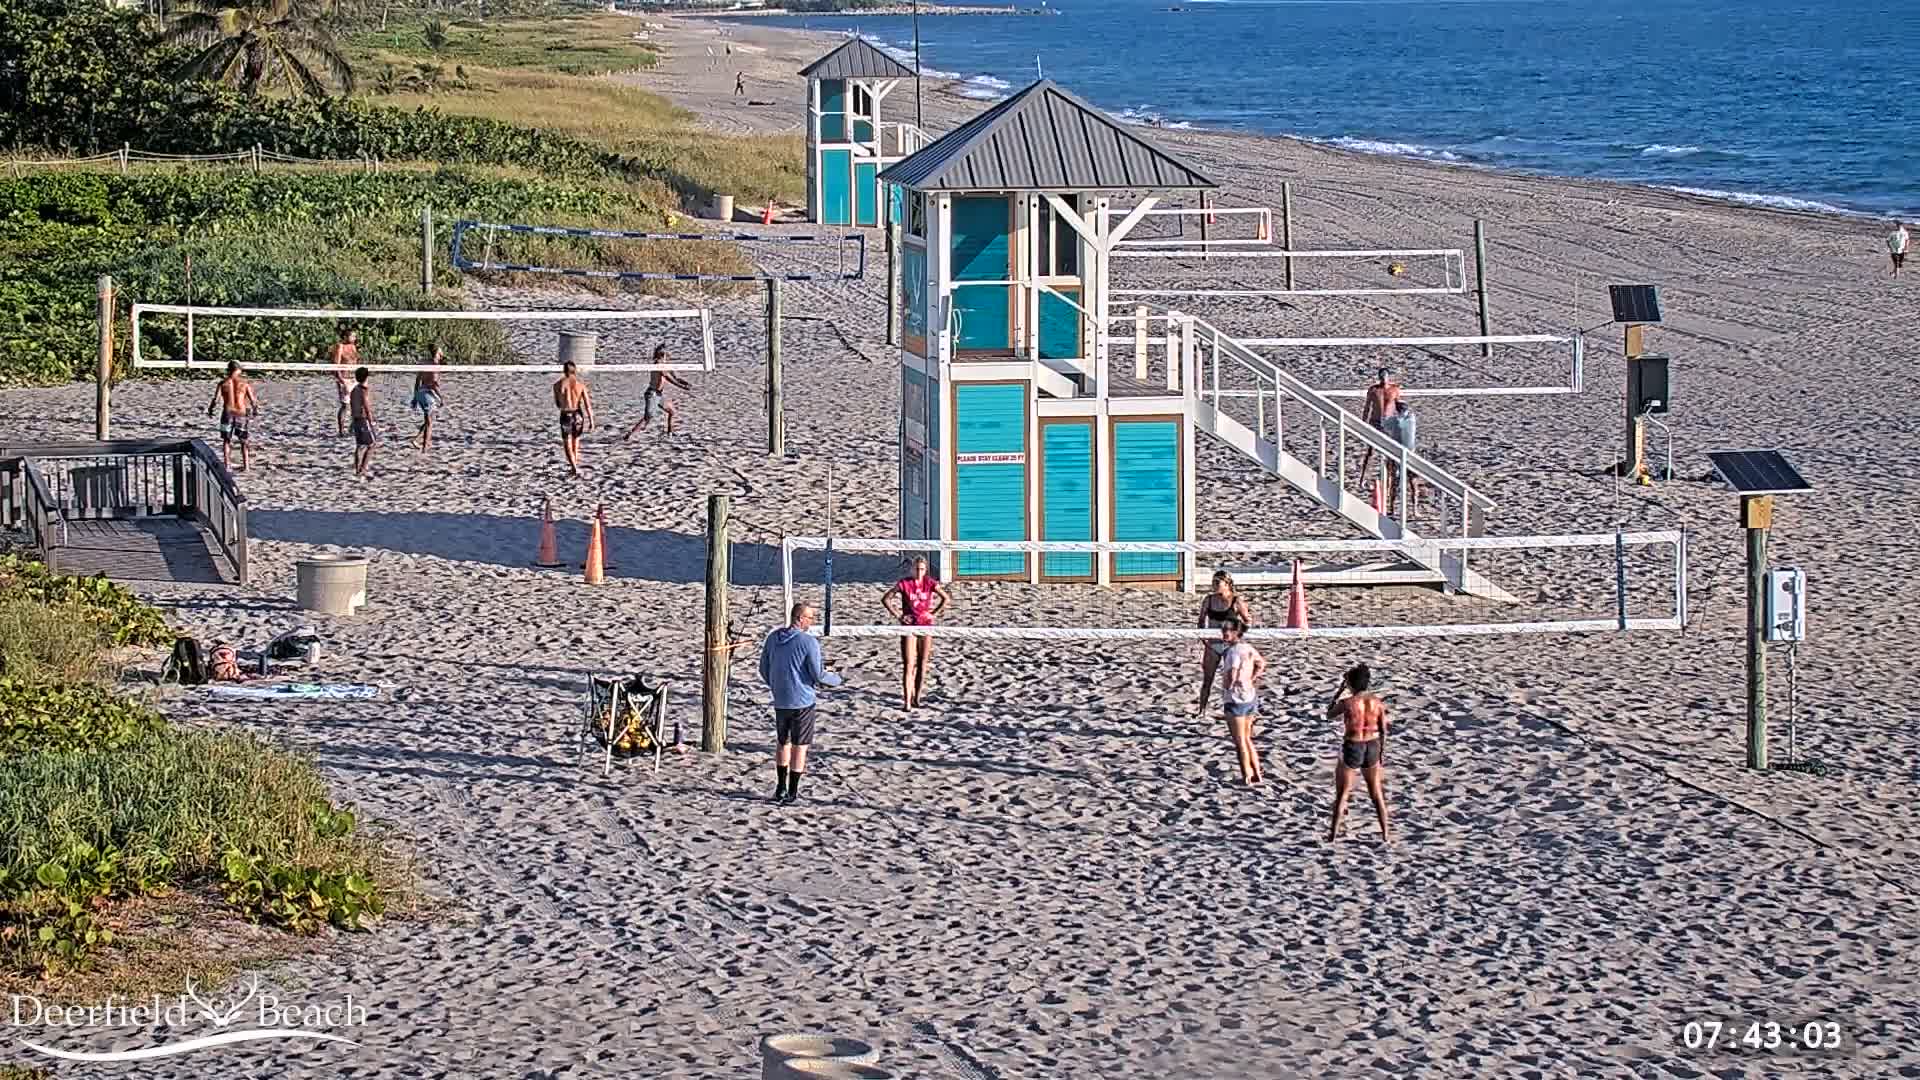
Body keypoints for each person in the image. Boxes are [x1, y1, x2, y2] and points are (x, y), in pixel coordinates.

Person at [759, 602, 831, 805]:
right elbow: (818, 674)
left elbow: (764, 668)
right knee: (800, 746)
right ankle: (792, 791)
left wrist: (777, 686)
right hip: (802, 701)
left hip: (781, 699)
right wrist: (837, 680)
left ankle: (780, 788)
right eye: (810, 618)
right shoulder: (808, 642)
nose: (812, 621)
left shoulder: (773, 637)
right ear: (800, 618)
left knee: (783, 742)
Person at [1326, 663, 1391, 843]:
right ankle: (1385, 834)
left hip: (1353, 745)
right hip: (1372, 745)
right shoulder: (1377, 702)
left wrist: (1339, 690)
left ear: (1350, 683)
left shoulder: (1347, 703)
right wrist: (1381, 753)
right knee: (1376, 793)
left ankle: (1332, 836)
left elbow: (1328, 714)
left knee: (1342, 794)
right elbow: (1383, 730)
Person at [882, 555, 951, 710]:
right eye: (916, 569)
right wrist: (899, 615)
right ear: (912, 569)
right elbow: (886, 599)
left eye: (922, 569)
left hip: (926, 626)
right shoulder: (904, 583)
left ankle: (917, 698)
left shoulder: (930, 583)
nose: (919, 572)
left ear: (926, 570)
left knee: (922, 662)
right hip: (910, 627)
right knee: (908, 664)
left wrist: (934, 613)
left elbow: (946, 598)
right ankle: (907, 701)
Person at [1217, 618, 1267, 785]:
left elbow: (1232, 673)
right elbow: (1261, 664)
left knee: (1240, 741)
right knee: (1247, 739)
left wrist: (1227, 687)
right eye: (1223, 629)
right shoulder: (1248, 648)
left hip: (1236, 699)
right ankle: (1257, 773)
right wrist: (1251, 678)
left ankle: (1247, 775)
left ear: (1236, 632)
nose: (1224, 633)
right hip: (1250, 696)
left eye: (1228, 630)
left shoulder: (1233, 652)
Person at [1194, 570, 1252, 714]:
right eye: (1213, 582)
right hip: (1213, 645)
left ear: (1227, 584)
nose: (1214, 585)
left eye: (1217, 582)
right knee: (1207, 679)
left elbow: (1248, 621)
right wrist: (1204, 639)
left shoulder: (1236, 601)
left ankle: (1234, 711)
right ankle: (1202, 711)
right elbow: (1201, 621)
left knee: (1233, 680)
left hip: (1230, 646)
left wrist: (1237, 636)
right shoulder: (1208, 599)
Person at [624, 345, 694, 439]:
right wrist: (682, 387)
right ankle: (629, 436)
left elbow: (676, 377)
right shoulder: (658, 365)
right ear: (663, 355)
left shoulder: (665, 365)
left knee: (671, 411)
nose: (669, 357)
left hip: (659, 394)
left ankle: (670, 433)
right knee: (647, 418)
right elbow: (668, 378)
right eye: (667, 355)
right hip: (652, 394)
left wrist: (686, 383)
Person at [205, 361, 259, 472]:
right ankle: (246, 465)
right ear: (238, 370)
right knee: (244, 440)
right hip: (241, 414)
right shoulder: (244, 383)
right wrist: (255, 410)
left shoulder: (223, 383)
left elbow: (216, 399)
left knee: (226, 440)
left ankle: (227, 465)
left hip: (227, 413)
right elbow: (253, 400)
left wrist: (210, 409)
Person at [1356, 367, 1401, 499]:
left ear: (1389, 377)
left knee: (1390, 456)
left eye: (1385, 376)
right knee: (1370, 452)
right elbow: (1367, 407)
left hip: (1389, 424)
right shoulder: (1374, 390)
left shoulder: (1395, 390)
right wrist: (1363, 423)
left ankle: (1389, 483)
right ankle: (1363, 478)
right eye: (1381, 376)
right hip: (1375, 423)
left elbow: (1399, 408)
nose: (1383, 379)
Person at [552, 360, 594, 478]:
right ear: (574, 371)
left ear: (564, 371)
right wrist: (591, 420)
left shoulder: (557, 385)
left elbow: (558, 404)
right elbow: (587, 405)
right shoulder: (580, 385)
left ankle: (574, 467)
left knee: (567, 443)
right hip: (578, 414)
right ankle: (575, 465)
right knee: (576, 441)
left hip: (566, 414)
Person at [1381, 400, 1421, 516]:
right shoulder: (1411, 419)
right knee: (1412, 483)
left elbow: (1384, 423)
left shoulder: (1394, 421)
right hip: (1410, 455)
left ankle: (1392, 507)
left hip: (1396, 455)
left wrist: (1388, 408)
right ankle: (1414, 509)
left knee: (1395, 481)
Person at [412, 344, 444, 454]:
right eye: (441, 352)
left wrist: (415, 397)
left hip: (420, 392)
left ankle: (417, 439)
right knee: (430, 422)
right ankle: (425, 448)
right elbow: (433, 384)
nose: (442, 354)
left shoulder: (425, 362)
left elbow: (417, 380)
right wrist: (441, 397)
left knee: (429, 419)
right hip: (427, 394)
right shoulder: (434, 365)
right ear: (437, 353)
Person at [328, 327, 360, 437]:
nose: (354, 338)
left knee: (357, 404)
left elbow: (355, 362)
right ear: (346, 336)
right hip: (345, 378)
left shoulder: (353, 347)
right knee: (345, 405)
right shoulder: (340, 347)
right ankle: (341, 430)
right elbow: (336, 365)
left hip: (354, 378)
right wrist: (341, 381)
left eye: (355, 336)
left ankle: (353, 428)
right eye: (352, 336)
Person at [348, 366, 376, 479]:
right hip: (363, 420)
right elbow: (366, 407)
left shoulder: (354, 389)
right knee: (372, 445)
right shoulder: (364, 391)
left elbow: (352, 405)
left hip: (355, 419)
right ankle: (363, 469)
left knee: (359, 446)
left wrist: (352, 422)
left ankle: (357, 469)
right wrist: (372, 421)